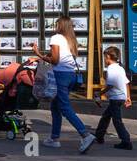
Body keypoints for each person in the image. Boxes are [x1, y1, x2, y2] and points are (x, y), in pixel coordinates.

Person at [31, 16, 94, 152]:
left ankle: (85, 134)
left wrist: (38, 54)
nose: (55, 26)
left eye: (56, 24)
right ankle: (54, 138)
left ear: (60, 25)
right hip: (70, 75)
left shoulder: (56, 38)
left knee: (64, 107)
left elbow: (54, 60)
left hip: (60, 76)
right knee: (55, 107)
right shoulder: (70, 40)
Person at [94, 46, 133, 150]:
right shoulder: (120, 68)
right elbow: (127, 83)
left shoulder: (110, 69)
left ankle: (126, 140)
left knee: (117, 121)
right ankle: (99, 136)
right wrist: (128, 97)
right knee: (106, 116)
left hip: (115, 98)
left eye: (104, 58)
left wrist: (99, 93)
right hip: (121, 97)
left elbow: (110, 85)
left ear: (107, 57)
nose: (104, 60)